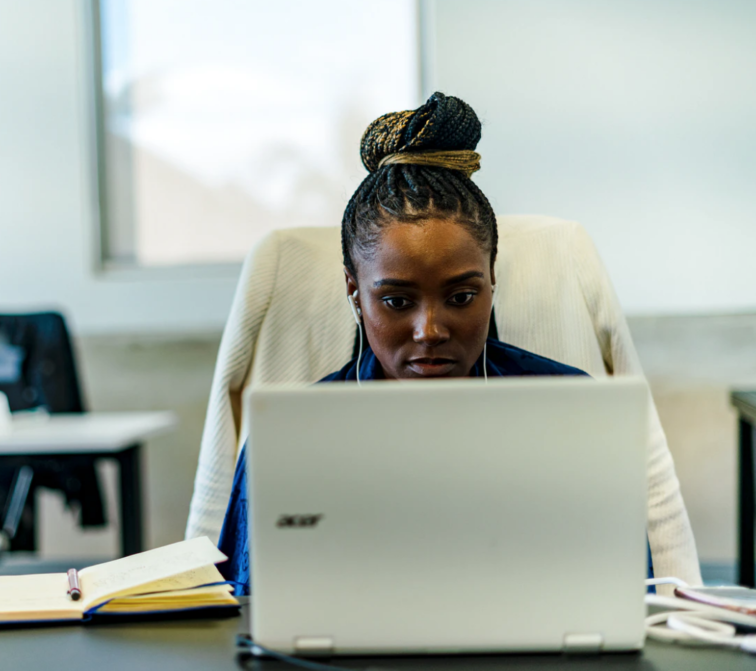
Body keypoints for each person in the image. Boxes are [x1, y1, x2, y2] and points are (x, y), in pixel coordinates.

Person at [217, 92, 698, 594]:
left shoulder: (572, 410)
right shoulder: (293, 439)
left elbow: (626, 598)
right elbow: (244, 615)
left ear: (493, 280)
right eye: (398, 302)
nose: (430, 330)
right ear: (354, 292)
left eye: (462, 296)